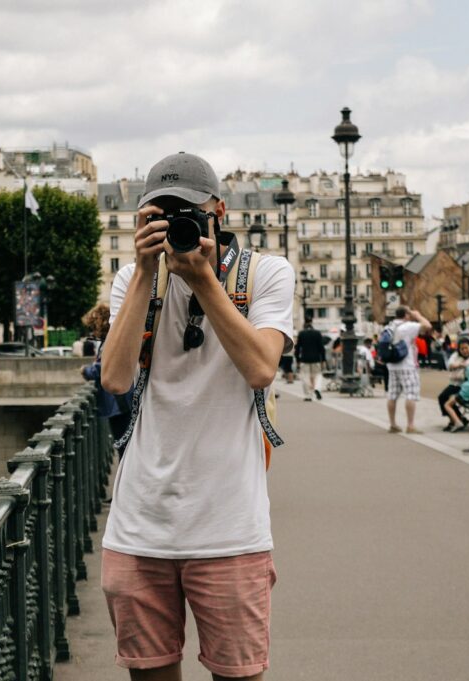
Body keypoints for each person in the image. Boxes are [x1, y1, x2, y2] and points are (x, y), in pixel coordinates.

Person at [100, 152, 294, 681]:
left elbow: (260, 368)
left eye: (186, 211)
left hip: (229, 529)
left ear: (219, 211)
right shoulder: (133, 280)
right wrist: (143, 272)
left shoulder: (265, 274)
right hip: (140, 530)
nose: (174, 223)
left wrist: (204, 281)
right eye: (160, 213)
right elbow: (114, 379)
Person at [80, 303, 133, 460]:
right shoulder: (115, 337)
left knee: (123, 445)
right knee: (126, 445)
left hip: (118, 403)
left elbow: (101, 369)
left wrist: (85, 370)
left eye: (92, 328)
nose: (91, 332)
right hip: (122, 400)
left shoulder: (110, 341)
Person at [384, 306, 433, 434]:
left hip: (392, 365)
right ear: (406, 314)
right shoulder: (408, 326)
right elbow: (427, 326)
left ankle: (393, 424)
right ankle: (410, 425)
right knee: (411, 394)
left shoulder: (389, 326)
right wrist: (417, 315)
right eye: (409, 313)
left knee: (392, 395)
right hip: (407, 364)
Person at [437, 339, 469, 428]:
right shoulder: (456, 355)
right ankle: (457, 418)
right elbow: (449, 365)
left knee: (446, 398)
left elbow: (468, 365)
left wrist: (458, 365)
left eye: (466, 348)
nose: (465, 350)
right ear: (459, 350)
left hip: (465, 386)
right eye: (462, 349)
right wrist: (460, 365)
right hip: (455, 384)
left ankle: (456, 419)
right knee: (442, 397)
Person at [295, 321, 325, 401]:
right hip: (316, 359)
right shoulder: (317, 333)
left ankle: (308, 395)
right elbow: (321, 348)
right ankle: (317, 388)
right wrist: (323, 360)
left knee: (305, 377)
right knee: (318, 375)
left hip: (305, 359)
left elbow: (298, 348)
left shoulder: (301, 334)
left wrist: (297, 360)